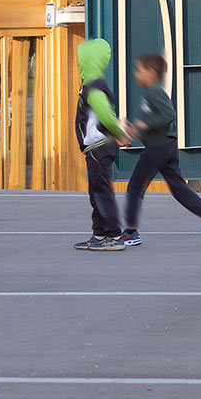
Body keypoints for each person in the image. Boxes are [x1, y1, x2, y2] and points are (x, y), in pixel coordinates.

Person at [120, 55, 201, 247]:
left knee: (135, 187)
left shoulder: (154, 92)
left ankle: (130, 232)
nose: (136, 74)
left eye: (139, 70)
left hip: (157, 149)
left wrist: (143, 125)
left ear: (151, 72)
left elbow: (168, 115)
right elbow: (155, 122)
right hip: (165, 147)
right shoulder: (152, 93)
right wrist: (135, 131)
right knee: (179, 189)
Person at [72, 37, 128, 252]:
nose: (79, 63)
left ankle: (113, 235)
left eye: (82, 60)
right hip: (97, 147)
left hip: (99, 147)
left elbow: (105, 114)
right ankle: (99, 234)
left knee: (102, 192)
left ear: (90, 61)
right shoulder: (91, 86)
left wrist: (118, 133)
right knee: (96, 191)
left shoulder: (94, 88)